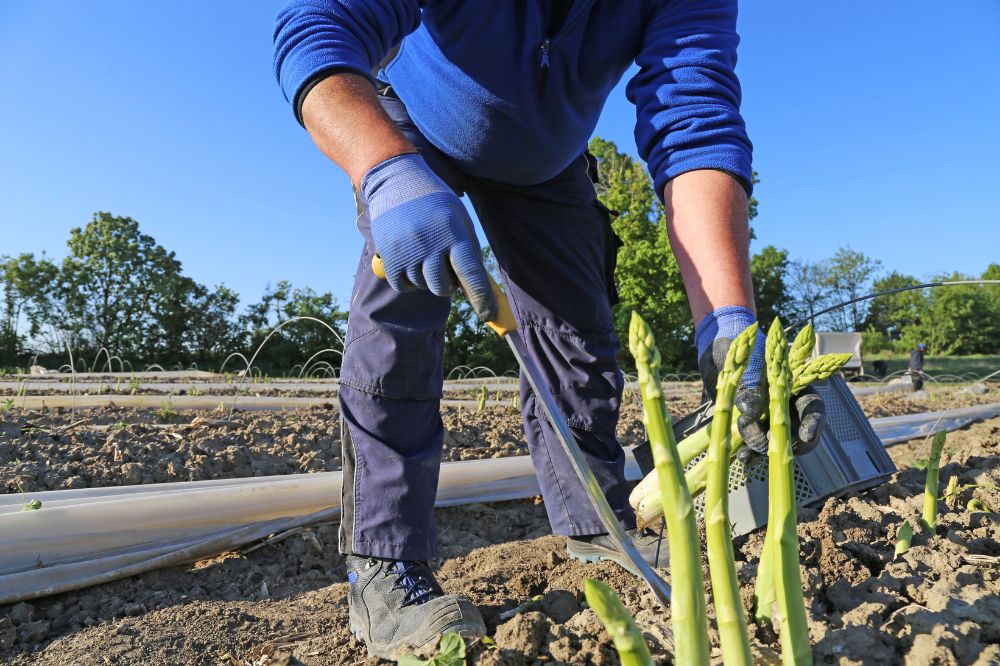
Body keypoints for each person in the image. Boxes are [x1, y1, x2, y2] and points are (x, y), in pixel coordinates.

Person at [272, 0, 827, 658]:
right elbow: (318, 26)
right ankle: (382, 565)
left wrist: (727, 322)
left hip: (547, 161)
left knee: (579, 340)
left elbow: (693, 124)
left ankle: (594, 522)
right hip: (412, 131)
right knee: (399, 318)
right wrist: (384, 168)